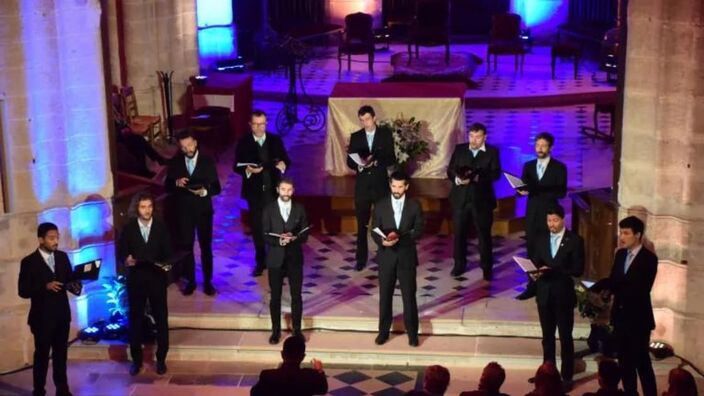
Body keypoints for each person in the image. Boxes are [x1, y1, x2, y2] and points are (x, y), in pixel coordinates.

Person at [18, 222, 82, 396]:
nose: (55, 241)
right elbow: (23, 291)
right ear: (41, 239)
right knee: (42, 357)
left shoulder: (62, 257)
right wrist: (44, 286)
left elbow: (70, 281)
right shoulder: (29, 262)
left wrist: (79, 282)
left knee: (61, 356)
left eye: (57, 237)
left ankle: (63, 390)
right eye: (51, 238)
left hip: (62, 316)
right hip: (42, 319)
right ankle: (39, 391)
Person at [118, 192, 173, 376]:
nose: (147, 210)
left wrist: (166, 263)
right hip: (137, 280)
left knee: (161, 318)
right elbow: (122, 254)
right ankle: (136, 360)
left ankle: (161, 359)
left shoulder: (161, 227)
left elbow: (168, 253)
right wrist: (127, 261)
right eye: (143, 207)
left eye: (149, 206)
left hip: (156, 279)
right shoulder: (129, 228)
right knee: (135, 320)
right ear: (137, 208)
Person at [530, 204, 584, 388]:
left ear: (563, 219)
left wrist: (554, 270)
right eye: (549, 221)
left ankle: (567, 376)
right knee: (547, 337)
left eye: (555, 220)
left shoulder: (575, 240)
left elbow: (578, 269)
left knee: (565, 337)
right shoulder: (541, 238)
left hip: (563, 294)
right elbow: (535, 262)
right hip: (544, 293)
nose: (551, 224)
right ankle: (547, 373)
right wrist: (533, 272)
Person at [234, 110, 291, 276]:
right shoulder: (244, 142)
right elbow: (235, 165)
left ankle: (279, 262)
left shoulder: (274, 140)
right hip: (255, 193)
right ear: (250, 125)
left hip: (273, 192)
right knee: (258, 229)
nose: (259, 127)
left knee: (277, 227)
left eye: (262, 124)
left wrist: (282, 164)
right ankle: (260, 262)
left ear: (266, 123)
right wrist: (248, 170)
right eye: (256, 124)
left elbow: (286, 160)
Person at [371, 171, 424, 346]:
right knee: (385, 295)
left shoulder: (414, 205)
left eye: (400, 186)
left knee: (409, 296)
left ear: (406, 187)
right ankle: (383, 332)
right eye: (394, 185)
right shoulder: (380, 205)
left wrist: (400, 237)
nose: (396, 189)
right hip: (386, 257)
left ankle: (412, 334)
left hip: (406, 256)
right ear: (390, 185)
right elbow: (374, 229)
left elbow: (419, 230)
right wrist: (382, 241)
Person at [166, 129, 221, 296]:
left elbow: (217, 187)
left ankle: (208, 282)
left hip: (203, 211)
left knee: (206, 246)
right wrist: (176, 182)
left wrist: (204, 192)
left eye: (189, 145)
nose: (187, 149)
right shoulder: (175, 162)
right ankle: (190, 281)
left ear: (195, 143)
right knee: (186, 247)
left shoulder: (207, 161)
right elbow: (167, 186)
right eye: (183, 147)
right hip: (184, 212)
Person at [608, 216, 658, 396]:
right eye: (621, 232)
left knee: (642, 363)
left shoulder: (649, 259)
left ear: (637, 235)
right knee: (624, 363)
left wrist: (617, 286)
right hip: (620, 318)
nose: (622, 236)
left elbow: (641, 289)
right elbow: (613, 278)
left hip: (638, 320)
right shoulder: (620, 254)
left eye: (626, 233)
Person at [516, 132, 567, 300]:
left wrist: (537, 189)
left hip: (549, 215)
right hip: (532, 214)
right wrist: (520, 191)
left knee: (548, 251)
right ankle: (532, 286)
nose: (540, 149)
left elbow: (561, 192)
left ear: (550, 147)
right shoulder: (528, 166)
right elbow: (522, 188)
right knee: (531, 250)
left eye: (543, 146)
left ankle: (548, 287)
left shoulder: (559, 167)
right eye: (537, 145)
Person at [447, 122, 501, 280]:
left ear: (485, 137)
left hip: (482, 201)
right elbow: (450, 170)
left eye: (478, 137)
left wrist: (478, 177)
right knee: (459, 234)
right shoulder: (460, 149)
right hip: (460, 199)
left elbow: (496, 173)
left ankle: (486, 267)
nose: (474, 140)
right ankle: (459, 265)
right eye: (471, 136)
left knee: (484, 235)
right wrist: (457, 179)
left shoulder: (492, 152)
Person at [346, 105, 396, 271]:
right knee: (361, 225)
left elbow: (391, 158)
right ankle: (360, 259)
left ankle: (385, 256)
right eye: (362, 120)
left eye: (367, 119)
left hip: (380, 185)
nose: (365, 123)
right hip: (362, 187)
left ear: (374, 118)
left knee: (382, 223)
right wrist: (359, 165)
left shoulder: (385, 134)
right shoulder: (356, 137)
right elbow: (350, 161)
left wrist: (376, 161)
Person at [262, 178, 309, 344]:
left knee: (296, 296)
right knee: (275, 297)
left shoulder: (299, 209)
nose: (286, 193)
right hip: (276, 259)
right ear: (277, 190)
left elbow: (305, 234)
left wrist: (293, 239)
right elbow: (264, 234)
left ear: (293, 190)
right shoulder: (269, 209)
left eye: (289, 190)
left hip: (294, 259)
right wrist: (279, 241)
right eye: (283, 189)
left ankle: (297, 330)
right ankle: (275, 331)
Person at [250, 335, 328, 396]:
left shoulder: (268, 376)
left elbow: (254, 393)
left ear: (282, 354)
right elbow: (323, 390)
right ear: (303, 357)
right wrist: (319, 370)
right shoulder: (311, 375)